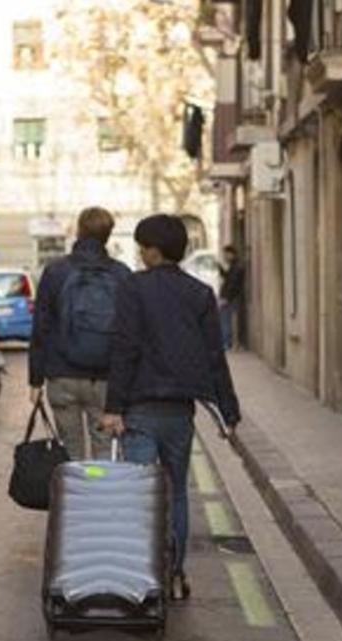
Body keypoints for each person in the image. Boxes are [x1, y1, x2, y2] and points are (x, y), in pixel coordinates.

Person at [101, 214, 241, 600]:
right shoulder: (199, 294)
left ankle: (145, 576)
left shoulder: (133, 288)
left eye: (143, 247)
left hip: (141, 409)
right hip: (180, 412)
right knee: (176, 491)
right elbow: (215, 356)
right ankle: (175, 572)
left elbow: (125, 349)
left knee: (142, 494)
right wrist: (228, 413)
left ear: (152, 250)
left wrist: (114, 407)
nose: (141, 253)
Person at [29, 207, 131, 460]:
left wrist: (35, 380)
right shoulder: (121, 274)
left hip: (62, 376)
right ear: (108, 236)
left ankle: (75, 498)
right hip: (106, 380)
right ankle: (99, 496)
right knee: (104, 450)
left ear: (78, 231)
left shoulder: (56, 272)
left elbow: (41, 327)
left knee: (70, 452)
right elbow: (131, 335)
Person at [218, 245, 245, 350]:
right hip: (230, 298)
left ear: (231, 254)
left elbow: (233, 285)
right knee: (226, 320)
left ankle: (230, 343)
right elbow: (228, 279)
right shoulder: (233, 266)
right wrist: (221, 270)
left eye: (226, 254)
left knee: (228, 320)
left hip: (232, 298)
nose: (224, 257)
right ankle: (229, 343)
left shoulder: (237, 267)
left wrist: (226, 299)